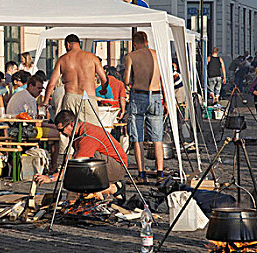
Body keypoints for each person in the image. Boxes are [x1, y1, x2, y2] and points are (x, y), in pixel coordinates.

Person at [34, 110, 126, 201]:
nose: (60, 133)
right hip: (106, 163)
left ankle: (114, 188)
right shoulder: (77, 133)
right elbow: (72, 159)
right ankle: (95, 192)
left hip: (117, 167)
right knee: (76, 185)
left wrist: (51, 178)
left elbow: (76, 168)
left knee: (81, 167)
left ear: (71, 124)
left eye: (61, 130)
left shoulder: (87, 136)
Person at [123, 31, 164, 184]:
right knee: (157, 138)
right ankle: (160, 172)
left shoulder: (131, 56)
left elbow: (127, 79)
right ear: (147, 41)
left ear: (134, 43)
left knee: (138, 137)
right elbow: (162, 78)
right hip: (155, 95)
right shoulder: (156, 55)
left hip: (139, 95)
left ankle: (142, 174)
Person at [43, 34, 108, 124]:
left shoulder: (63, 59)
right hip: (88, 97)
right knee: (92, 130)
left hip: (70, 96)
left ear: (68, 44)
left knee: (69, 129)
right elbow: (104, 79)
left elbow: (51, 84)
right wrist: (103, 89)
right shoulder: (92, 57)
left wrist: (45, 102)